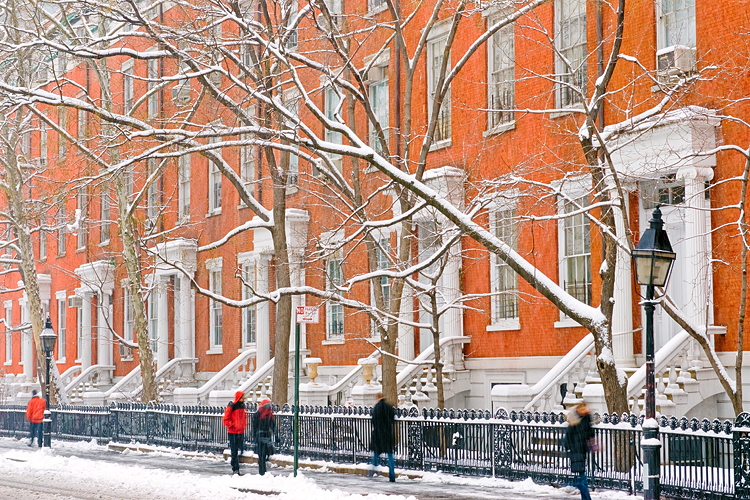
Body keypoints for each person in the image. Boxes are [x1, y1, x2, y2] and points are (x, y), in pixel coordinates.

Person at [562, 402, 595, 500]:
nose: (585, 410)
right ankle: (585, 496)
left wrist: (592, 444)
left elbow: (590, 433)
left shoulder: (586, 419)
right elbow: (568, 436)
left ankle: (577, 488)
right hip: (576, 449)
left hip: (582, 449)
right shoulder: (574, 421)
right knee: (582, 475)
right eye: (583, 408)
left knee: (581, 474)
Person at [369, 393, 396, 482]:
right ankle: (392, 475)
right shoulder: (389, 407)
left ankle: (372, 472)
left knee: (376, 454)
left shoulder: (377, 408)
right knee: (390, 455)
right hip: (388, 434)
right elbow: (393, 419)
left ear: (378, 398)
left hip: (379, 434)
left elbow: (374, 421)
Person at [222, 390, 247, 475]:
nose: (244, 399)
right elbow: (226, 419)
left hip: (240, 431)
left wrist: (242, 425)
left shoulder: (242, 407)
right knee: (234, 450)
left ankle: (236, 465)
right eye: (243, 397)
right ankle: (235, 468)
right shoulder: (232, 406)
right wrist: (232, 425)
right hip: (233, 432)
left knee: (238, 449)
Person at [252, 399, 276, 476]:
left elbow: (273, 426)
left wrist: (276, 434)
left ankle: (263, 469)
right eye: (266, 406)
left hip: (266, 436)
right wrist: (255, 436)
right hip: (260, 437)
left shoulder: (269, 415)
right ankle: (262, 471)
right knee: (261, 454)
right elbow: (254, 427)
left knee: (265, 453)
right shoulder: (258, 415)